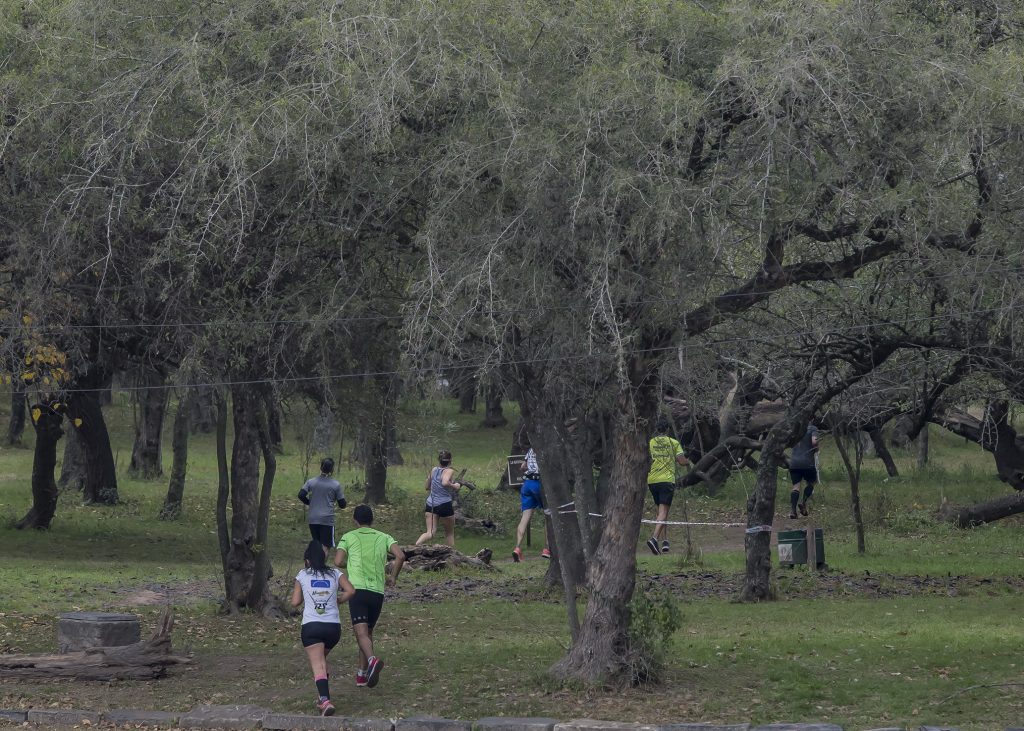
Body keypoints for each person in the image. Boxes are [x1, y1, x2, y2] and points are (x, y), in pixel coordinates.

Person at [334, 504, 405, 689]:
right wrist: (392, 577)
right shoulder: (384, 537)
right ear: (372, 520)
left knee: (361, 633)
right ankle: (361, 675)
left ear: (354, 520)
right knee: (367, 633)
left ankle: (372, 660)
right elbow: (400, 556)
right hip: (377, 592)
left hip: (357, 590)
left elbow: (338, 561)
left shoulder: (348, 537)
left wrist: (351, 564)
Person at [291, 539, 356, 717]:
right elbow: (351, 590)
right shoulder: (335, 573)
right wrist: (339, 600)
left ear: (307, 560)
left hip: (312, 628)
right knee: (321, 661)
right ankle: (322, 696)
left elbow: (295, 602)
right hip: (333, 629)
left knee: (318, 664)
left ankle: (325, 701)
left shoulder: (303, 574)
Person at [646, 419, 688, 555]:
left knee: (661, 511)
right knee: (663, 512)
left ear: (656, 430)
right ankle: (654, 539)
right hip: (667, 480)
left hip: (652, 480)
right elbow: (682, 462)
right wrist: (687, 461)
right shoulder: (673, 442)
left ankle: (665, 542)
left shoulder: (650, 443)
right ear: (668, 430)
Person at [414, 450, 462, 547]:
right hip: (444, 504)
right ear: (450, 460)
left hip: (430, 504)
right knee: (449, 534)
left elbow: (427, 486)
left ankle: (415, 546)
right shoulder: (449, 470)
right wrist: (455, 485)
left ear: (439, 460)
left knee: (430, 533)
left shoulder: (434, 470)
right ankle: (450, 557)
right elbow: (444, 482)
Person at [298, 458, 346, 551]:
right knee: (326, 545)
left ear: (321, 467)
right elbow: (342, 504)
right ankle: (321, 564)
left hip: (313, 518)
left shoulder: (311, 482)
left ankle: (315, 564)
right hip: (327, 519)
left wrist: (309, 502)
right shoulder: (335, 484)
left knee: (317, 543)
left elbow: (301, 495)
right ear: (332, 470)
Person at [513, 447, 550, 562]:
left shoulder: (531, 449)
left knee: (525, 517)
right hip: (540, 484)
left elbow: (523, 466)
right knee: (548, 516)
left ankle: (517, 548)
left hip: (527, 484)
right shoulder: (545, 447)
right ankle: (547, 549)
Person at [789, 423, 820, 518]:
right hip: (807, 463)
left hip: (794, 463)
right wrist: (817, 448)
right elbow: (814, 442)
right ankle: (803, 503)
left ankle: (793, 511)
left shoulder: (795, 428)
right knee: (811, 482)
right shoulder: (813, 428)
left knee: (796, 487)